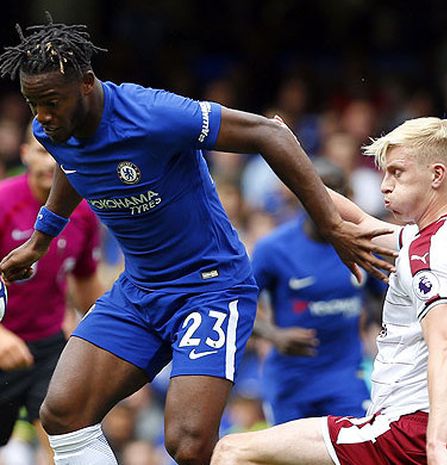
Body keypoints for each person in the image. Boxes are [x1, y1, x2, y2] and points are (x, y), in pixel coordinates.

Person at [0, 15, 394, 465]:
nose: (42, 117)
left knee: (187, 444)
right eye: (33, 104)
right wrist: (41, 238)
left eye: (51, 102)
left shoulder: (152, 114)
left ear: (87, 84)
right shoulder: (52, 130)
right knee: (62, 413)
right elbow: (75, 166)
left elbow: (270, 133)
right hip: (140, 291)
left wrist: (331, 225)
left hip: (210, 289)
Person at [212, 117, 447, 465]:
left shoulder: (427, 252)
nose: (385, 185)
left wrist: (435, 444)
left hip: (412, 431)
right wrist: (289, 155)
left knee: (233, 452)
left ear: (437, 175)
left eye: (397, 172)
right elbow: (360, 222)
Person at [252, 158, 385, 424]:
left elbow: (386, 297)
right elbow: (235, 304)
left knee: (358, 448)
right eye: (320, 191)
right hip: (292, 379)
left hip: (344, 376)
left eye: (337, 192)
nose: (328, 201)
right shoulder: (274, 249)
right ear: (302, 194)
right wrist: (274, 335)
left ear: (350, 197)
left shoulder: (360, 245)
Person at [0, 126, 103, 464]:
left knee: (62, 435)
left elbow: (87, 283)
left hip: (49, 345)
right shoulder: (3, 202)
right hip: (4, 341)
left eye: (59, 155)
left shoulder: (84, 213)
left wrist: (103, 342)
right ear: (25, 154)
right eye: (43, 151)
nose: (51, 162)